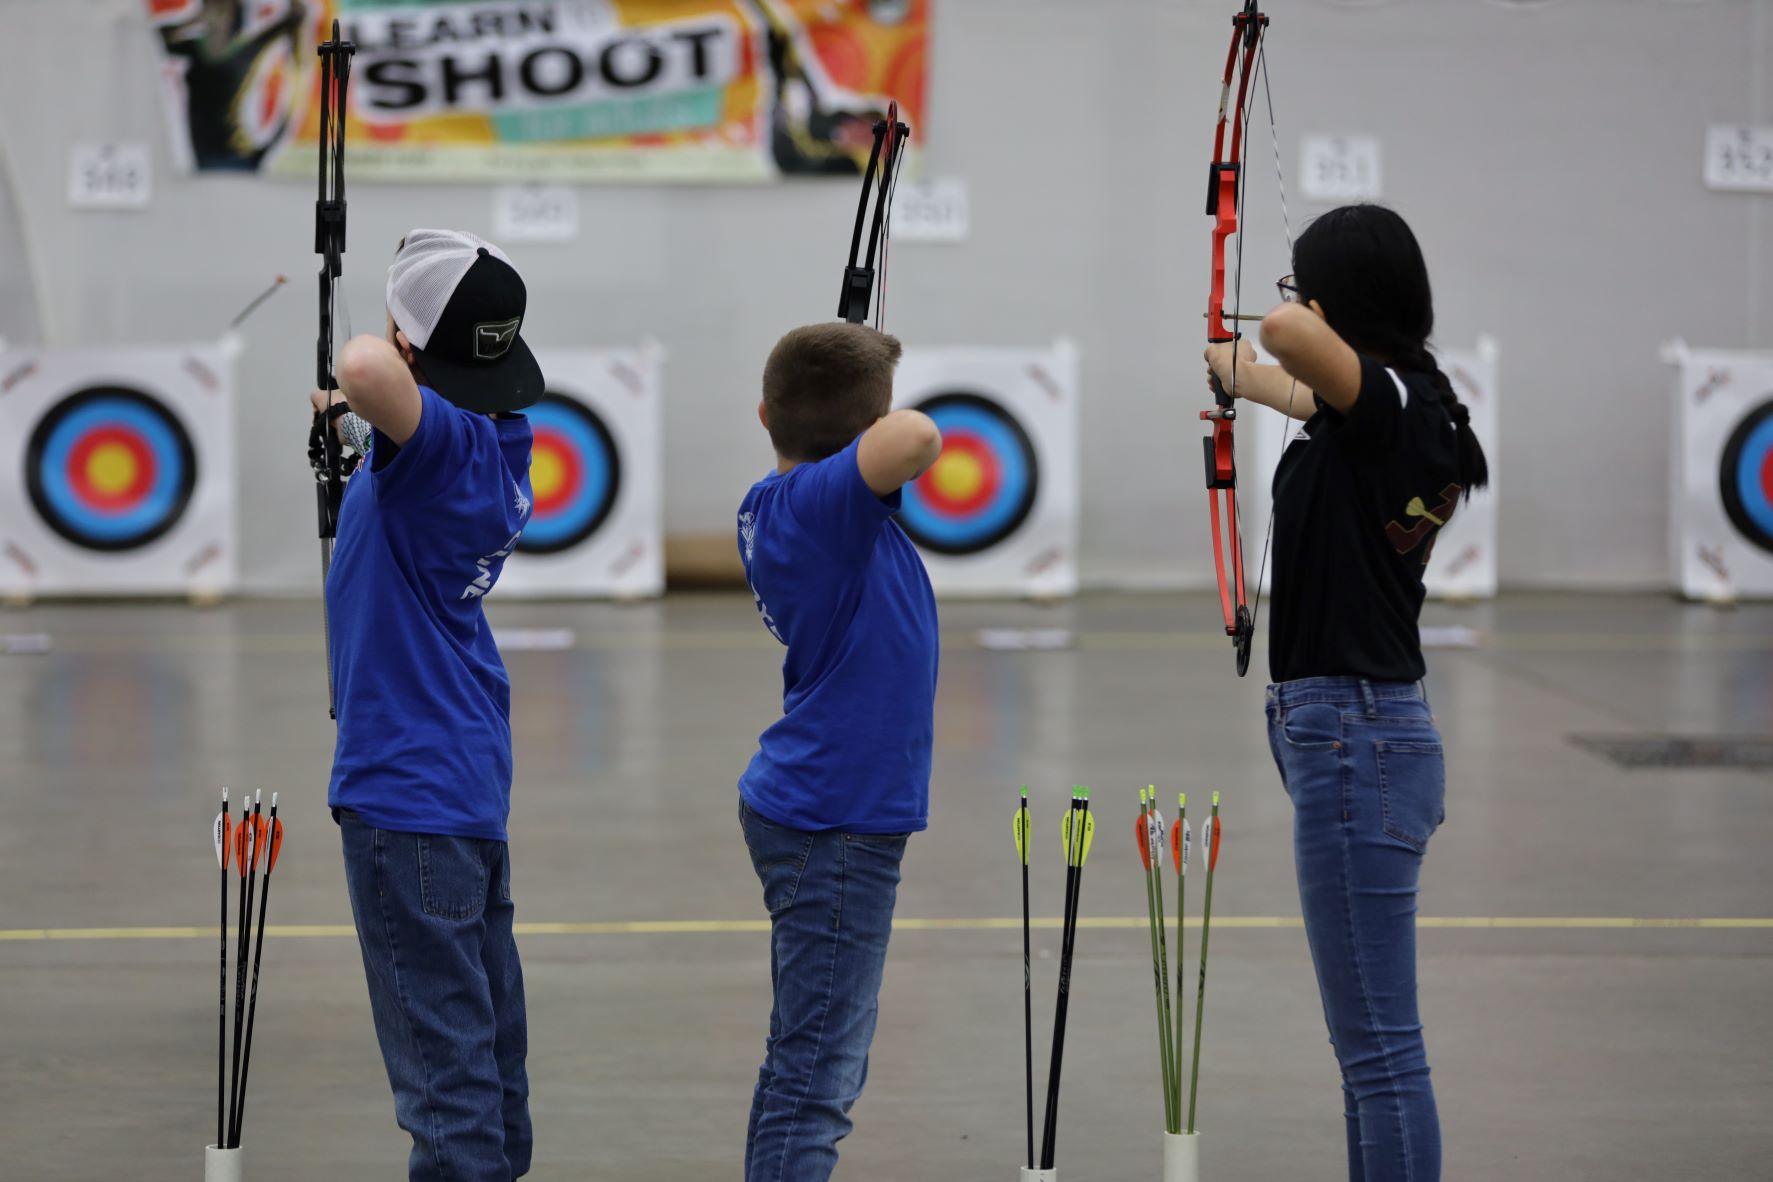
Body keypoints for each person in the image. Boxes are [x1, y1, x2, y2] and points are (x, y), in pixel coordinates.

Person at [1205, 204, 1489, 1182]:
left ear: (1336, 302)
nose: (1286, 305)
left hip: (1353, 736)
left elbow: (1287, 338)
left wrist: (1277, 321)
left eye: (1301, 285)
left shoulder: (1397, 405)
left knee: (1379, 1051)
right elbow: (1294, 378)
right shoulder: (1410, 411)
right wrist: (1233, 373)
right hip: (1357, 734)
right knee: (1367, 1050)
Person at [311, 229, 544, 1181]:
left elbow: (363, 364)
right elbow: (390, 412)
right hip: (462, 781)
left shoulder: (441, 444)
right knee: (487, 1075)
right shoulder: (503, 440)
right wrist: (354, 430)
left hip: (403, 796)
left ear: (413, 349)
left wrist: (369, 374)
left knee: (446, 1104)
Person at [734, 322, 943, 1182]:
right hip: (835, 821)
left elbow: (885, 443)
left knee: (812, 1060)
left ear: (762, 414)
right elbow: (916, 437)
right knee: (815, 1077)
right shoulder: (824, 508)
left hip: (823, 805)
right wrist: (870, 423)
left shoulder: (783, 501)